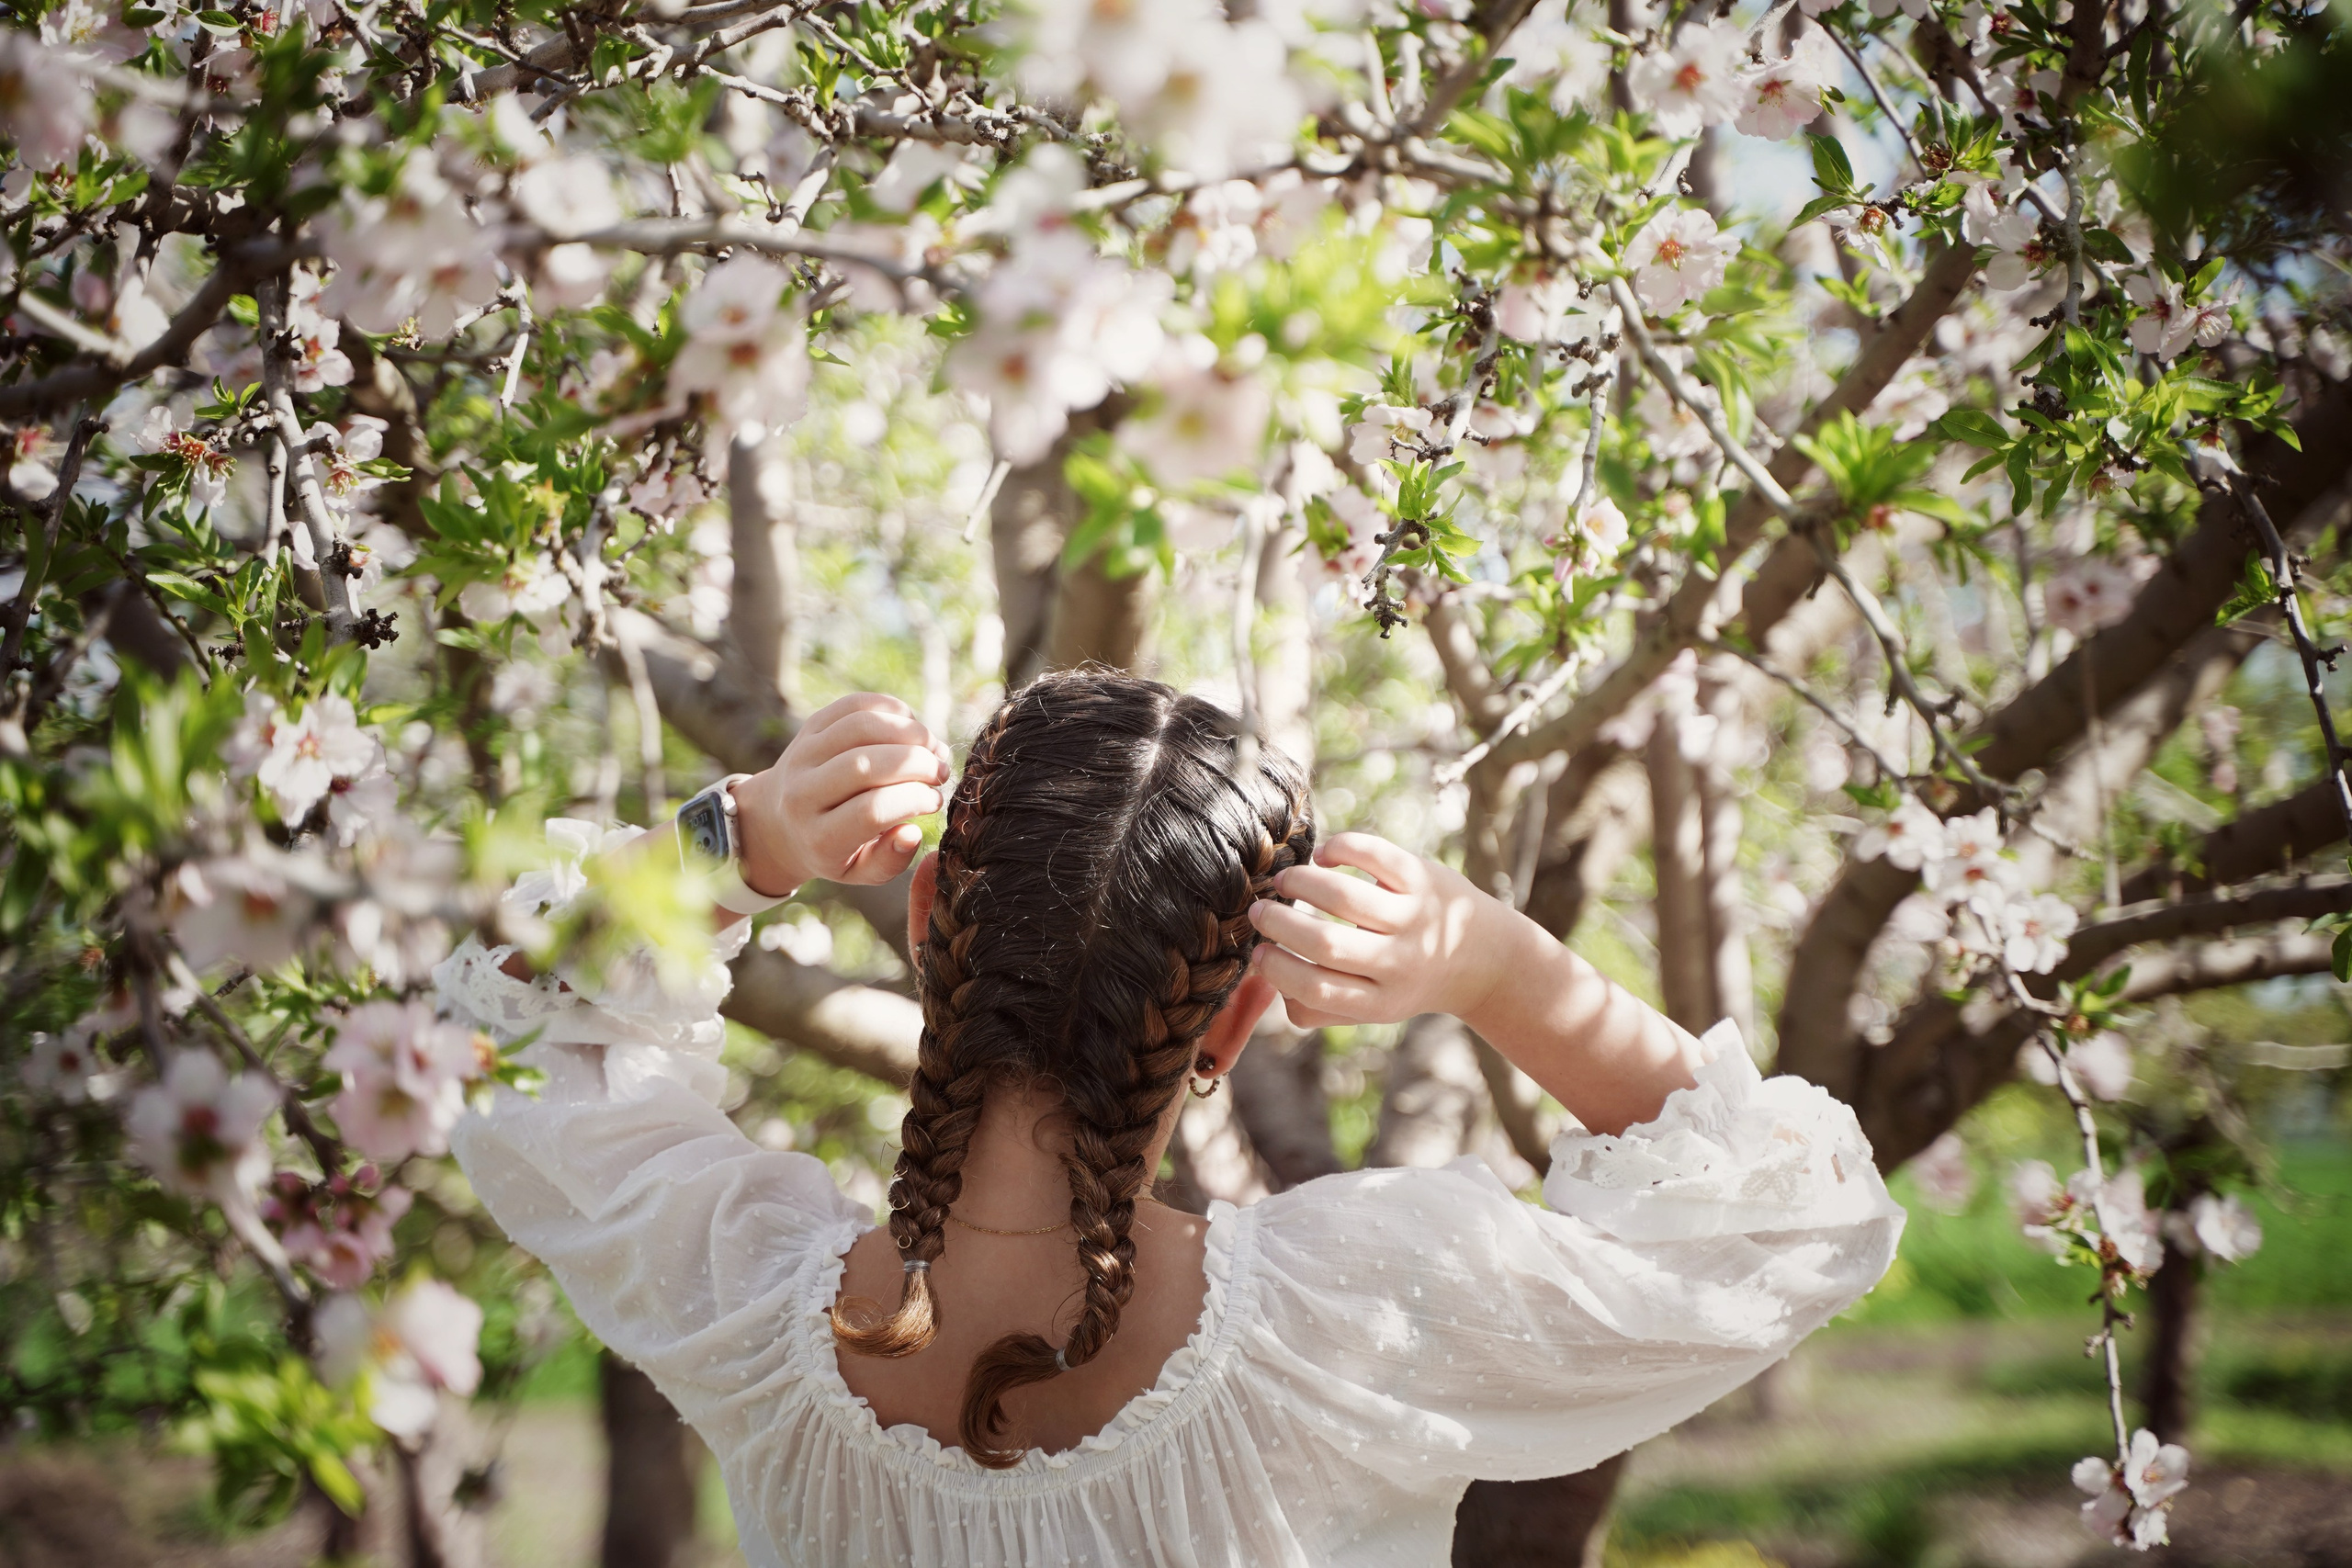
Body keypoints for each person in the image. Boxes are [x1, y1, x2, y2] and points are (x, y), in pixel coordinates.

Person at [444, 670, 1905, 1567]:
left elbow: (495, 1047)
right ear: (1234, 1017)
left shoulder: (744, 1305)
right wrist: (1491, 962)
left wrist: (738, 835)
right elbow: (1793, 1217)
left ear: (927, 918)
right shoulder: (1362, 1318)